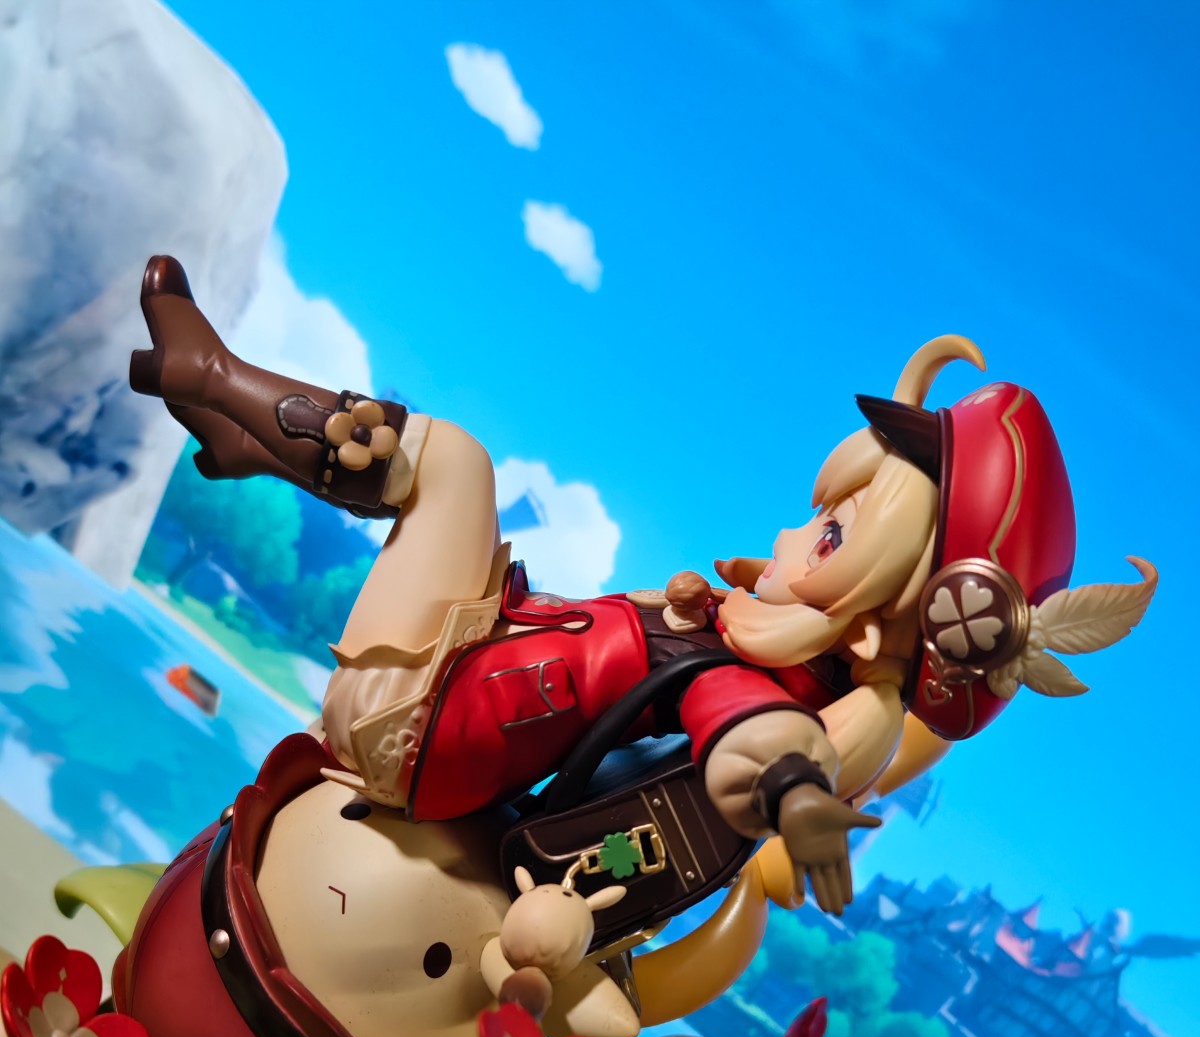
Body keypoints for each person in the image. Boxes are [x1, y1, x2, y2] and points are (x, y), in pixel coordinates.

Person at [131, 257, 1156, 916]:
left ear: (874, 624)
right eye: (818, 515)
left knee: (454, 466)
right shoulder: (736, 635)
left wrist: (797, 796)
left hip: (433, 724)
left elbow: (751, 742)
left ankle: (218, 380)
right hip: (467, 679)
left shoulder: (755, 685)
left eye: (832, 534)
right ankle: (244, 432)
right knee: (450, 482)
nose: (792, 535)